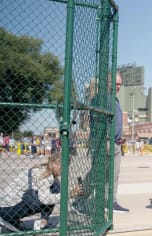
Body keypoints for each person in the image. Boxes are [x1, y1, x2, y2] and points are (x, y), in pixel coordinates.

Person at [72, 71, 129, 214]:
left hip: (115, 143)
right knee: (97, 174)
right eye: (115, 83)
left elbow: (114, 122)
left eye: (120, 84)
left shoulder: (114, 100)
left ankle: (110, 202)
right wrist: (106, 138)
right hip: (103, 142)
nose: (118, 87)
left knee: (113, 175)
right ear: (106, 83)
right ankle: (79, 202)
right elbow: (99, 122)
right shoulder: (100, 99)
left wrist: (118, 137)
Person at [0, 152, 83, 231]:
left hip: (9, 207)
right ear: (54, 164)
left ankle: (41, 221)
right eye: (63, 167)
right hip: (5, 210)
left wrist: (45, 217)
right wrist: (70, 194)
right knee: (50, 193)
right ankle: (9, 218)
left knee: (55, 188)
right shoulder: (44, 173)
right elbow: (45, 199)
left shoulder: (47, 171)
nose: (65, 170)